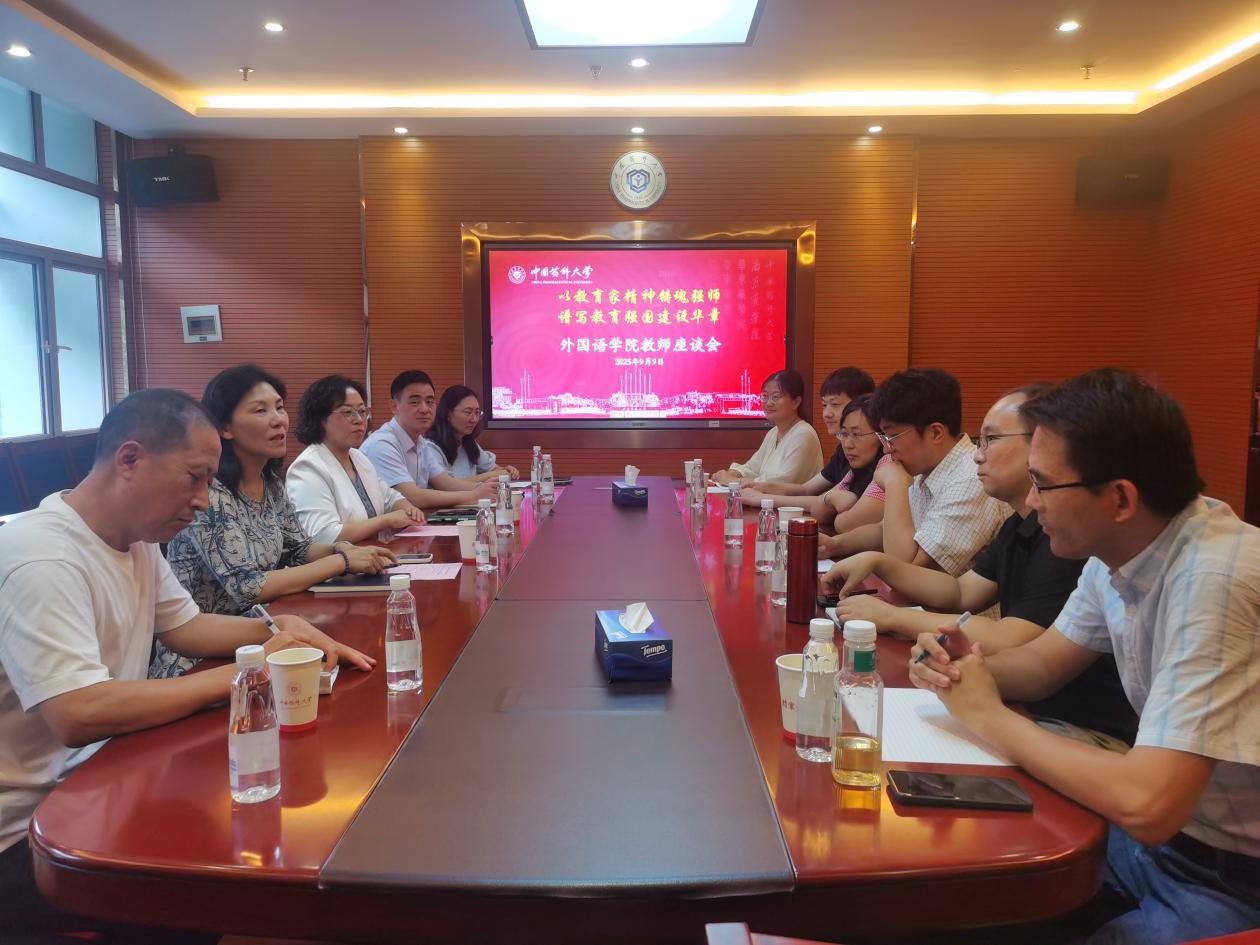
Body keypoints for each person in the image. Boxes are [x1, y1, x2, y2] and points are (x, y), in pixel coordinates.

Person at [0, 390, 372, 941]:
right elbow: (78, 712)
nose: (202, 500)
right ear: (129, 459)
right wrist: (246, 675)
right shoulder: (42, 556)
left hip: (98, 781)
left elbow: (186, 626)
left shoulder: (135, 539)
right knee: (208, 881)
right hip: (29, 833)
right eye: (194, 478)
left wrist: (276, 631)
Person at [912, 370, 1260, 944]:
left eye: (1043, 485)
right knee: (964, 885)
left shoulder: (1215, 578)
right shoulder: (1118, 551)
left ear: (1120, 497)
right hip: (1165, 845)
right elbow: (1042, 667)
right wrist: (963, 668)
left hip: (1233, 879)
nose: (1031, 502)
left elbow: (1149, 804)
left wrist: (990, 716)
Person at [823, 385, 1137, 747]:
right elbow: (961, 592)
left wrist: (893, 617)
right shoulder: (1021, 523)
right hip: (1029, 707)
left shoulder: (1072, 537)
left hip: (1073, 725)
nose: (976, 455)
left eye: (990, 440)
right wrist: (877, 562)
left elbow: (1011, 639)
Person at [151, 365, 397, 679]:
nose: (278, 419)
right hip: (203, 657)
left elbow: (298, 549)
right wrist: (342, 562)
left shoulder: (271, 484)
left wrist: (341, 549)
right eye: (260, 410)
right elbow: (247, 588)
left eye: (280, 407)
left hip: (268, 632)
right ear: (225, 427)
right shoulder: (209, 492)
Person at [825, 368, 1006, 574]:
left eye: (892, 437)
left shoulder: (970, 480)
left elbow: (909, 570)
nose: (886, 449)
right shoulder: (924, 467)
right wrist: (833, 545)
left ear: (935, 433)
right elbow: (884, 530)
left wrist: (894, 484)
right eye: (884, 438)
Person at [286, 374, 425, 544]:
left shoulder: (358, 457)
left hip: (375, 554)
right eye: (347, 412)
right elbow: (324, 535)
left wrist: (407, 509)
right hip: (341, 560)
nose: (359, 420)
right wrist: (386, 520)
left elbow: (389, 497)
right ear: (321, 419)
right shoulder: (307, 467)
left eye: (362, 411)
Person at [742, 366, 875, 517]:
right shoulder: (842, 450)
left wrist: (763, 499)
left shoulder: (878, 458)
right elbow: (806, 489)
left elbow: (827, 506)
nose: (827, 413)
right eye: (824, 405)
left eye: (835, 405)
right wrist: (761, 486)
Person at [360, 370, 497, 509]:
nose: (425, 409)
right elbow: (412, 497)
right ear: (394, 407)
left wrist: (486, 489)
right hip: (391, 522)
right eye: (415, 402)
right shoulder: (382, 444)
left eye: (429, 401)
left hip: (415, 519)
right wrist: (473, 495)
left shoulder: (419, 441)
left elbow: (446, 483)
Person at [710, 369, 824, 486]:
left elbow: (780, 483)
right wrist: (731, 474)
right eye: (765, 396)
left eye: (776, 397)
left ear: (796, 402)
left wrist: (733, 481)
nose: (768, 403)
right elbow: (752, 468)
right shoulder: (773, 432)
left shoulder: (803, 434)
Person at [423, 384, 519, 483]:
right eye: (468, 412)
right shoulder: (431, 447)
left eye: (477, 413)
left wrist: (507, 470)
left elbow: (492, 468)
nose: (474, 419)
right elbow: (447, 485)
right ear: (448, 414)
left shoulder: (467, 442)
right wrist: (492, 475)